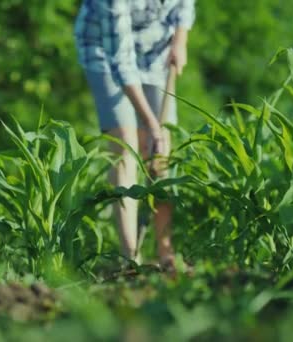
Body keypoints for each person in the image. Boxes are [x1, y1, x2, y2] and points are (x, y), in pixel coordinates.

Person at [74, 0, 195, 269]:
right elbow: (121, 62)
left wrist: (180, 39)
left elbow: (184, 5)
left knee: (162, 152)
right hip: (104, 50)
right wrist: (152, 125)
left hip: (156, 48)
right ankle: (130, 256)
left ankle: (165, 252)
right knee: (126, 145)